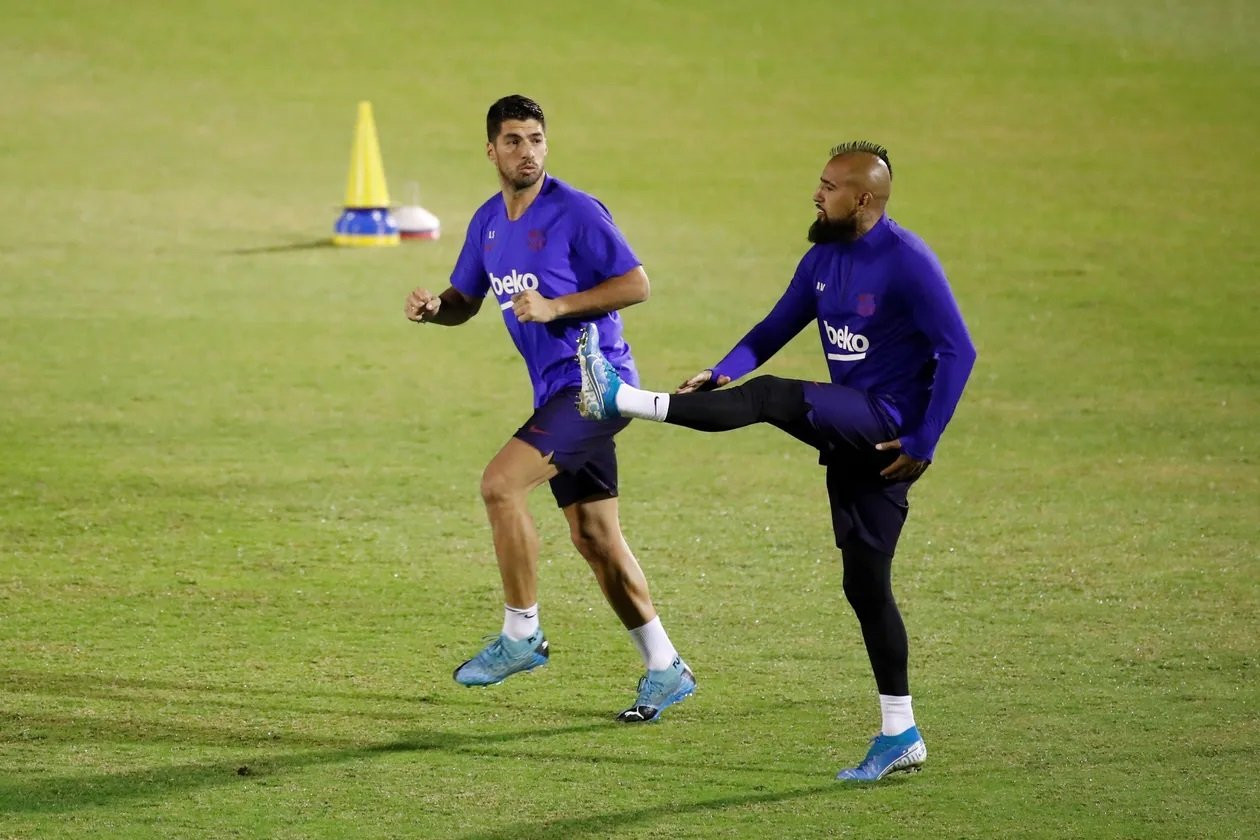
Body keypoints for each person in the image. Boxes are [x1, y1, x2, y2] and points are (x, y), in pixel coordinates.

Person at [576, 141, 976, 777]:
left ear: (864, 199)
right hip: (853, 428)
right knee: (865, 584)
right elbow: (773, 328)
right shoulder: (821, 260)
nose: (817, 194)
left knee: (769, 399)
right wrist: (720, 370)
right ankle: (901, 732)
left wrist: (925, 441)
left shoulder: (907, 262)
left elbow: (960, 351)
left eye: (830, 186)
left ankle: (620, 397)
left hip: (888, 425)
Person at [403, 94, 694, 723]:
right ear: (491, 150)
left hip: (596, 387)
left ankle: (521, 634)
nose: (527, 151)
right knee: (595, 538)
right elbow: (466, 298)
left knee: (500, 487)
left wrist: (558, 307)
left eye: (536, 139)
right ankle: (666, 666)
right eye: (513, 140)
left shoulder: (575, 211)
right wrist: (435, 311)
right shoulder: (487, 223)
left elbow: (636, 284)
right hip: (556, 393)